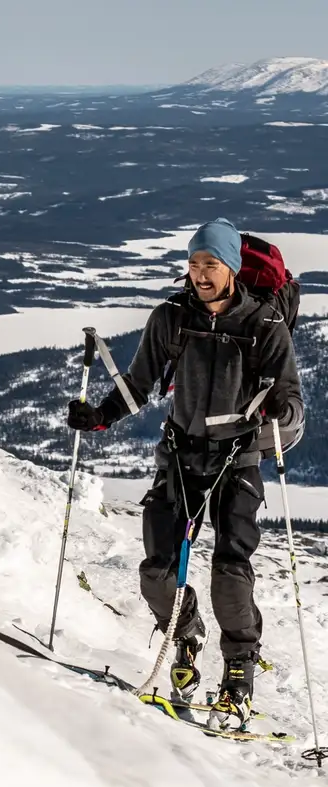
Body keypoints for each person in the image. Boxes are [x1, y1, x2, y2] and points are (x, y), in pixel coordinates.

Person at [68, 218, 304, 726]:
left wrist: (279, 422)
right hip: (178, 456)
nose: (200, 273)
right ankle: (185, 639)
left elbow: (291, 400)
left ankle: (238, 673)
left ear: (232, 269)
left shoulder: (264, 325)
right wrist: (101, 416)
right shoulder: (171, 319)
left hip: (236, 460)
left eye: (210, 264)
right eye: (194, 263)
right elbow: (139, 381)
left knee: (230, 571)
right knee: (157, 570)